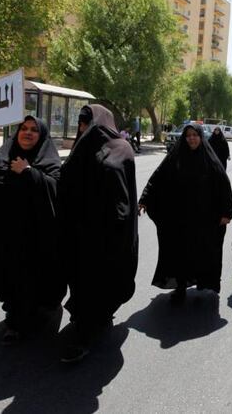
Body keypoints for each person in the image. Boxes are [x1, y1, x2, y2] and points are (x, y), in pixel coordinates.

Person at [0, 115, 66, 345]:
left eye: (33, 130)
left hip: (36, 239)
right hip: (7, 237)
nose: (27, 133)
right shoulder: (2, 157)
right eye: (23, 128)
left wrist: (30, 173)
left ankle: (20, 321)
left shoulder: (48, 160)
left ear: (42, 136)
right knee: (6, 276)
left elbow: (55, 188)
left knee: (34, 280)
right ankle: (18, 313)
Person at [58, 104, 138, 363]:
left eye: (87, 122)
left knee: (101, 284)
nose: (84, 128)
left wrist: (115, 225)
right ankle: (86, 324)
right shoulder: (80, 148)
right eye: (81, 123)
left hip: (107, 236)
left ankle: (85, 334)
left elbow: (123, 195)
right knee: (82, 285)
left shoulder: (122, 148)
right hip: (79, 234)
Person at [138, 124, 232, 301]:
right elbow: (158, 177)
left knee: (202, 250)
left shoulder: (210, 159)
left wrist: (227, 212)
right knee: (179, 252)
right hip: (179, 217)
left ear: (200, 137)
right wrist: (144, 199)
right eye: (188, 135)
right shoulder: (176, 157)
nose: (191, 138)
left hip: (204, 218)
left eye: (195, 135)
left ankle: (202, 281)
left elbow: (223, 185)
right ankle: (180, 286)